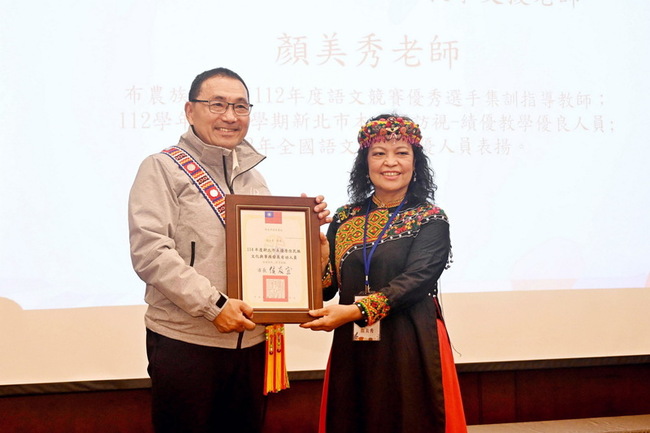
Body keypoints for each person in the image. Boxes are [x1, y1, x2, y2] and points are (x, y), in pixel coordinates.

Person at [128, 67, 330, 433]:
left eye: (240, 106)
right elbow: (151, 252)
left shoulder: (254, 178)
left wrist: (308, 240)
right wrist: (214, 306)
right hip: (186, 341)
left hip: (251, 343)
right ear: (190, 110)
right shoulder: (161, 168)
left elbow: (268, 255)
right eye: (217, 104)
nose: (230, 116)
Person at [301, 114, 467, 433]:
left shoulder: (430, 218)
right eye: (379, 153)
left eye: (401, 152)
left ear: (415, 162)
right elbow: (327, 289)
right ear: (365, 163)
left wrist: (357, 310)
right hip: (354, 344)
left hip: (411, 341)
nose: (390, 162)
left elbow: (417, 280)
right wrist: (318, 256)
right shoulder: (345, 217)